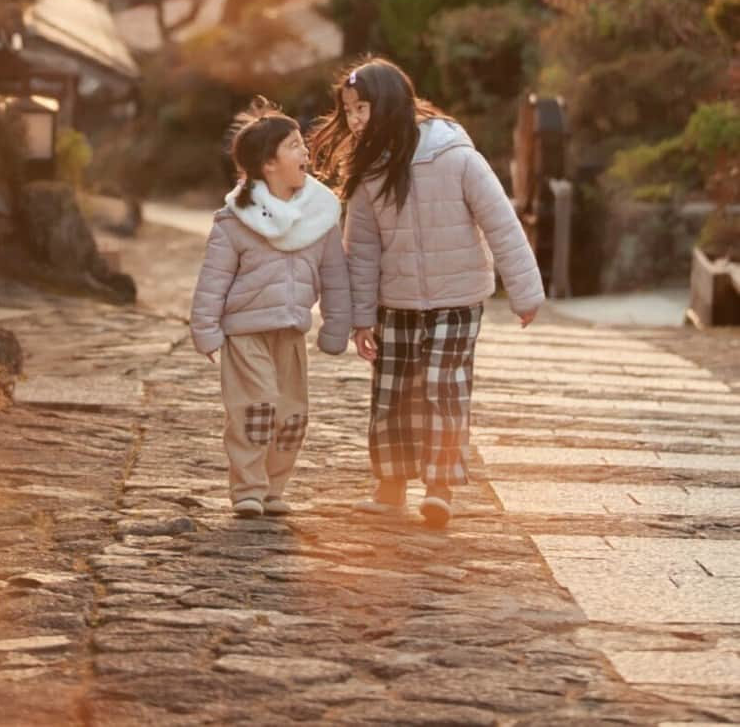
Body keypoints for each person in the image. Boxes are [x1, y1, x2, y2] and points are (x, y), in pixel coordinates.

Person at [309, 59, 544, 530]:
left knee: (444, 387)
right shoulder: (369, 170)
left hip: (457, 298)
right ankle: (390, 485)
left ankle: (439, 487)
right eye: (349, 110)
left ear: (392, 103)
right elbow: (363, 249)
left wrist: (525, 291)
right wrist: (361, 318)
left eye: (363, 108)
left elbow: (501, 223)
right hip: (394, 303)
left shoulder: (455, 155)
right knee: (392, 393)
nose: (354, 120)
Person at [190, 97, 352, 517]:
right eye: (295, 145)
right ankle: (248, 487)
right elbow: (213, 280)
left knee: (292, 414)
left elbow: (335, 276)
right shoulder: (236, 220)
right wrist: (205, 328)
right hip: (245, 332)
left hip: (292, 331)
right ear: (268, 163)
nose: (306, 153)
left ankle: (274, 488)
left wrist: (337, 326)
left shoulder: (320, 217)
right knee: (256, 407)